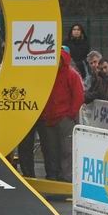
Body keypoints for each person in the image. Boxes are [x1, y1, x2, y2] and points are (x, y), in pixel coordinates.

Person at [39, 48, 84, 181]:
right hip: (50, 117)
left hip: (64, 118)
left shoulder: (71, 74)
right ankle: (53, 176)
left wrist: (71, 114)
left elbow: (78, 96)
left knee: (66, 150)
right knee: (51, 150)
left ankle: (67, 177)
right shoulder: (48, 75)